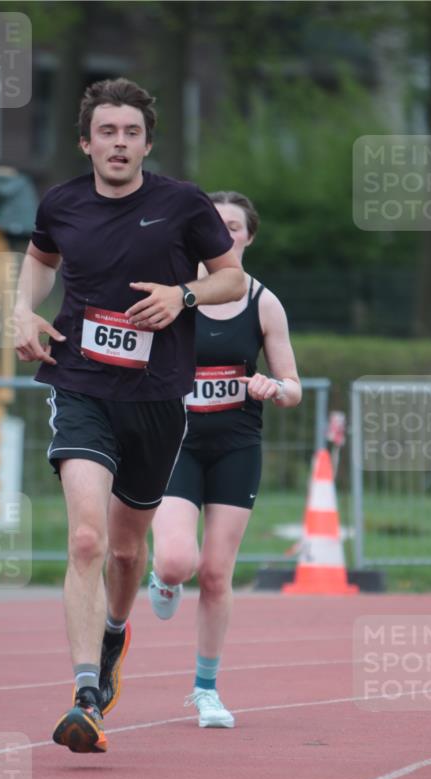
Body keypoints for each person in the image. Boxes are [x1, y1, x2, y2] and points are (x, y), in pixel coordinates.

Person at [12, 79, 244, 754]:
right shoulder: (61, 204)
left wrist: (183, 295)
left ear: (146, 142)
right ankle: (86, 694)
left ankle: (114, 633)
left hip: (156, 397)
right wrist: (23, 310)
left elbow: (228, 276)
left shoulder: (180, 204)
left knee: (122, 548)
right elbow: (38, 260)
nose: (119, 143)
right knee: (84, 539)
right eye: (106, 132)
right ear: (86, 142)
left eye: (131, 133)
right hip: (79, 385)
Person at [148, 191, 302, 728]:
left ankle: (206, 689)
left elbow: (293, 386)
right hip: (174, 443)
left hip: (236, 444)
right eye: (214, 225)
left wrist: (271, 386)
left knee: (215, 575)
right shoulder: (171, 296)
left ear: (248, 237)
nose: (224, 234)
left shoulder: (265, 303)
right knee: (177, 561)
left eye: (233, 227)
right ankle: (163, 580)